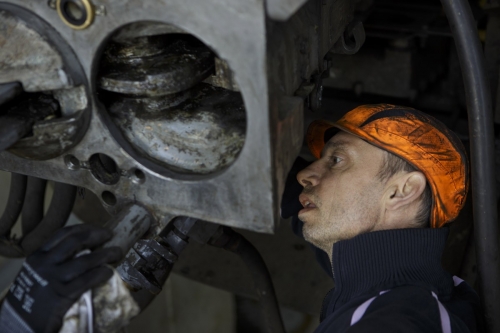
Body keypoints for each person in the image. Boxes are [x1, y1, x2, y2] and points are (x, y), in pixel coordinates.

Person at [0, 104, 483, 332]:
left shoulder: (397, 323)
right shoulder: (402, 291)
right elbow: (299, 201)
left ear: (402, 189)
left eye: (336, 160)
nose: (309, 176)